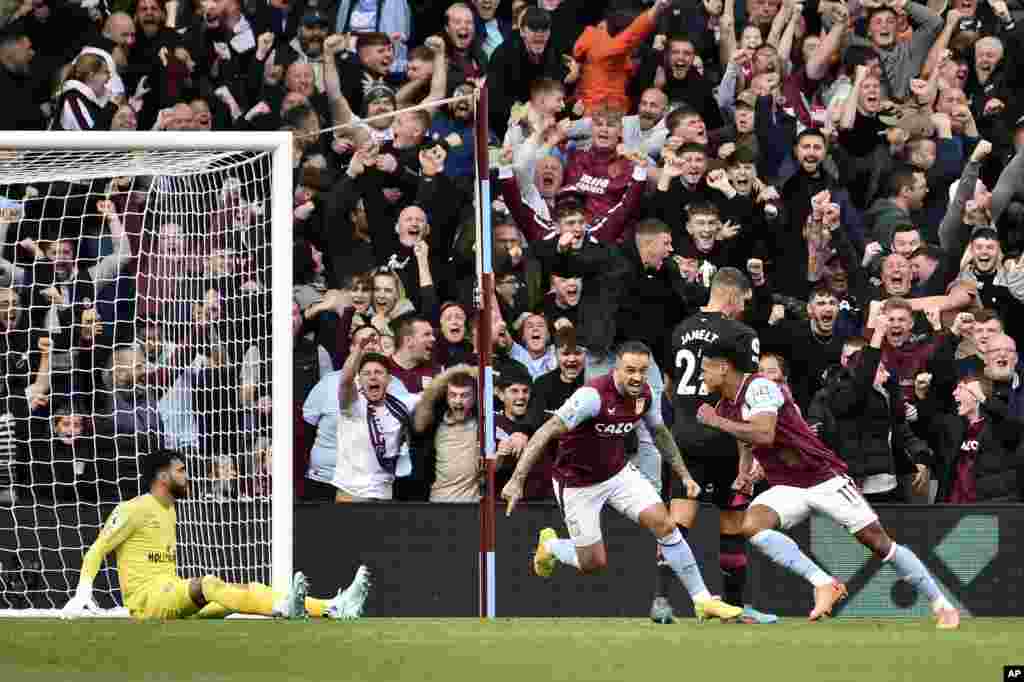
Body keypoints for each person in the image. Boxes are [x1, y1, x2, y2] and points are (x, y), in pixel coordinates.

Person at [694, 337, 961, 628]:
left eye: (704, 369)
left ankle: (942, 605)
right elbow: (746, 440)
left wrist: (715, 422)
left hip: (823, 477)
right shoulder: (724, 405)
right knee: (752, 526)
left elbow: (763, 434)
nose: (701, 376)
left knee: (880, 543)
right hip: (788, 485)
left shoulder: (759, 387)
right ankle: (823, 583)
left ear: (722, 368)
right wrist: (744, 472)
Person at [502, 341, 743, 623]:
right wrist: (517, 480)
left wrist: (684, 475)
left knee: (664, 524)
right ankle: (552, 547)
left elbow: (660, 434)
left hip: (618, 474)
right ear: (616, 368)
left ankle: (702, 600)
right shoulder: (591, 397)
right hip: (577, 483)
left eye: (643, 370)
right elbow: (545, 432)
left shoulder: (645, 396)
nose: (637, 377)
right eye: (630, 370)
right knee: (592, 563)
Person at [61, 450, 370, 621]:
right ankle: (284, 610)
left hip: (170, 595)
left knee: (245, 591)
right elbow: (97, 549)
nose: (187, 475)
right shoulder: (133, 509)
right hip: (148, 602)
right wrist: (82, 593)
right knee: (209, 584)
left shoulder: (169, 509)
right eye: (181, 470)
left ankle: (332, 606)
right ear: (162, 476)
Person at [656, 267, 776, 625]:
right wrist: (750, 454)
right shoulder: (742, 334)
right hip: (724, 437)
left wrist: (682, 419)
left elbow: (667, 386)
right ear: (734, 296)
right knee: (733, 523)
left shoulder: (679, 330)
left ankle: (661, 601)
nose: (744, 309)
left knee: (678, 521)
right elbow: (746, 394)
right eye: (744, 301)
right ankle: (735, 608)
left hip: (683, 438)